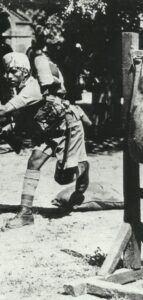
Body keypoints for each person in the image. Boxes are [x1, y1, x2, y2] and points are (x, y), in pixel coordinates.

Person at [0, 52, 91, 231]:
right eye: (6, 72)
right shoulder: (21, 88)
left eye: (13, 72)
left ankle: (82, 170)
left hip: (69, 128)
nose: (8, 76)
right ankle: (26, 212)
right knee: (33, 162)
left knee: (64, 178)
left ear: (25, 72)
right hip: (50, 132)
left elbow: (4, 112)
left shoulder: (31, 89)